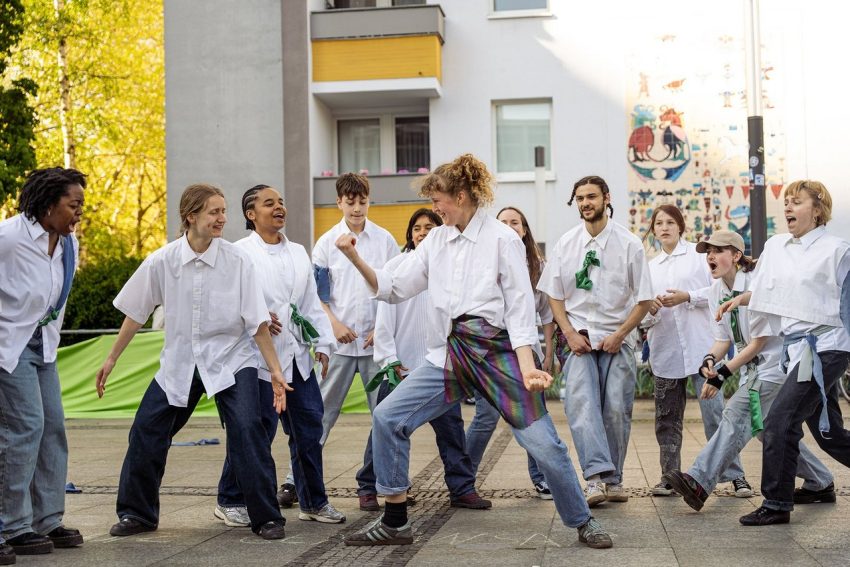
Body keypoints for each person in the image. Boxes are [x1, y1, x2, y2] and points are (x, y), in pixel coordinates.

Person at [336, 155, 613, 549]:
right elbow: (394, 287)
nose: (435, 208)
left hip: (498, 353)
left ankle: (583, 521)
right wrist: (354, 257)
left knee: (544, 445)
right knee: (387, 416)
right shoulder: (436, 240)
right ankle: (395, 521)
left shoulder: (503, 239)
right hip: (451, 354)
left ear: (462, 195)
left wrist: (528, 365)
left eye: (439, 200)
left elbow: (519, 306)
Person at [95, 184, 289, 540]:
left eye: (223, 211)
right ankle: (137, 514)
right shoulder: (162, 261)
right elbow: (136, 313)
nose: (222, 219)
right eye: (214, 212)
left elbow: (257, 321)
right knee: (146, 431)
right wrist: (111, 359)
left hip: (232, 359)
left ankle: (266, 516)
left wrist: (275, 370)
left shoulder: (238, 260)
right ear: (191, 217)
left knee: (248, 429)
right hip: (181, 362)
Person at [660, 230, 833, 511]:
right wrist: (709, 360)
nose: (710, 257)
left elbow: (759, 343)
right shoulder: (718, 290)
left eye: (717, 251)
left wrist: (721, 375)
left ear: (736, 255)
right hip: (752, 371)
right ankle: (820, 480)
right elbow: (723, 339)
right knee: (767, 431)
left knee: (735, 414)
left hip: (775, 367)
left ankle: (699, 481)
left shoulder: (755, 283)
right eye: (708, 252)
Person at [211, 184, 345, 527]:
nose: (279, 208)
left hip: (298, 358)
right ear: (251, 214)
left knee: (309, 430)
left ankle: (314, 502)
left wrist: (324, 344)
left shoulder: (298, 251)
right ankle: (230, 499)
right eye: (269, 203)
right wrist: (253, 314)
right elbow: (225, 301)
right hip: (258, 362)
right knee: (256, 433)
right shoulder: (239, 253)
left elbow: (311, 303)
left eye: (281, 202)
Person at [732, 181, 850, 526]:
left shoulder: (836, 250)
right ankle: (812, 490)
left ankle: (776, 503)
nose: (787, 208)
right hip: (799, 351)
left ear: (817, 209)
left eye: (796, 202)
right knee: (829, 434)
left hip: (826, 348)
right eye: (785, 202)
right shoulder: (778, 246)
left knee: (780, 421)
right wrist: (740, 298)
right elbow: (770, 287)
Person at [357, 208, 491, 511]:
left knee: (452, 431)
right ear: (410, 234)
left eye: (429, 227)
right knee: (383, 426)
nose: (422, 232)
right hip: (400, 369)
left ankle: (462, 488)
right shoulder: (397, 265)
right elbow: (384, 320)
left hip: (439, 368)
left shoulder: (449, 268)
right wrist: (389, 360)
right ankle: (368, 486)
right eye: (417, 228)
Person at [537, 175, 653, 507]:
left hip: (617, 337)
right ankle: (596, 479)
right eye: (580, 198)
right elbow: (554, 296)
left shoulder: (629, 244)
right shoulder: (565, 244)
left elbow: (644, 299)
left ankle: (613, 479)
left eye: (591, 196)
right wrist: (569, 334)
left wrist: (620, 335)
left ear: (606, 197)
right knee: (582, 404)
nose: (586, 203)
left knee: (616, 408)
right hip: (579, 339)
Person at [0, 167, 87, 556]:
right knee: (26, 427)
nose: (79, 212)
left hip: (44, 346)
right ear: (49, 204)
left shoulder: (69, 244)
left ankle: (46, 519)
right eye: (74, 204)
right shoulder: (9, 238)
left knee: (53, 427)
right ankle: (11, 524)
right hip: (9, 347)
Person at [641, 205, 749, 497]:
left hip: (703, 349)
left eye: (670, 222)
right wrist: (649, 310)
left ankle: (734, 475)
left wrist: (686, 297)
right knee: (667, 418)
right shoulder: (649, 268)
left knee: (716, 415)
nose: (664, 227)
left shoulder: (700, 258)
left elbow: (716, 291)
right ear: (653, 230)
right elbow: (643, 314)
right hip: (665, 351)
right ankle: (668, 476)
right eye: (659, 223)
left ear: (680, 226)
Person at [465, 206, 555, 499]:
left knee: (532, 416)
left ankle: (541, 479)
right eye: (502, 222)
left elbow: (546, 315)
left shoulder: (538, 266)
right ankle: (463, 479)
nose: (508, 226)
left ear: (525, 229)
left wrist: (550, 353)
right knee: (485, 417)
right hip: (488, 354)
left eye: (514, 222)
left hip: (527, 354)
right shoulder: (481, 261)